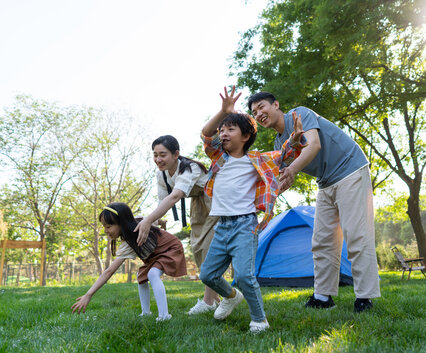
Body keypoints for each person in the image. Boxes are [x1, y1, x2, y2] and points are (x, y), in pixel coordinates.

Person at [248, 91, 381, 313]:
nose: (259, 113)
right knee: (322, 240)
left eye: (262, 107)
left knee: (357, 235)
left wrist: (292, 169)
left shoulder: (298, 115)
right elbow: (280, 175)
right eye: (254, 113)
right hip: (326, 182)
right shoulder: (280, 142)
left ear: (276, 104)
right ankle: (322, 296)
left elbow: (314, 145)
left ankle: (364, 297)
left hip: (350, 170)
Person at [199, 86, 306, 333]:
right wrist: (223, 111)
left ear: (245, 136)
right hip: (222, 225)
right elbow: (206, 135)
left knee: (245, 276)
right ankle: (231, 296)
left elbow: (287, 153)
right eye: (222, 129)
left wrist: (296, 137)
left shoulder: (257, 160)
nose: (223, 133)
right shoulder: (218, 157)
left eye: (230, 129)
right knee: (207, 275)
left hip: (245, 225)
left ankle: (259, 320)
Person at [134, 135, 220, 315]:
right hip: (198, 204)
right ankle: (216, 298)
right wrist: (150, 220)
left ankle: (208, 301)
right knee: (197, 249)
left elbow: (175, 196)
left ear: (176, 154)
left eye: (163, 155)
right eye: (155, 155)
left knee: (208, 249)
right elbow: (162, 202)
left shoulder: (191, 168)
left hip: (215, 202)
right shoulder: (161, 175)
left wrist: (149, 220)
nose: (158, 159)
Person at [71, 202, 187, 321]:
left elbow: (109, 271)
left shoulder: (140, 223)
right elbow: (157, 221)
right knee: (141, 276)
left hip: (171, 249)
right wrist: (163, 224)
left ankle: (164, 316)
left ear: (122, 223)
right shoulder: (130, 237)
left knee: (152, 274)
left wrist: (89, 294)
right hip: (154, 256)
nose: (105, 230)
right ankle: (146, 313)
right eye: (104, 226)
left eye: (108, 226)